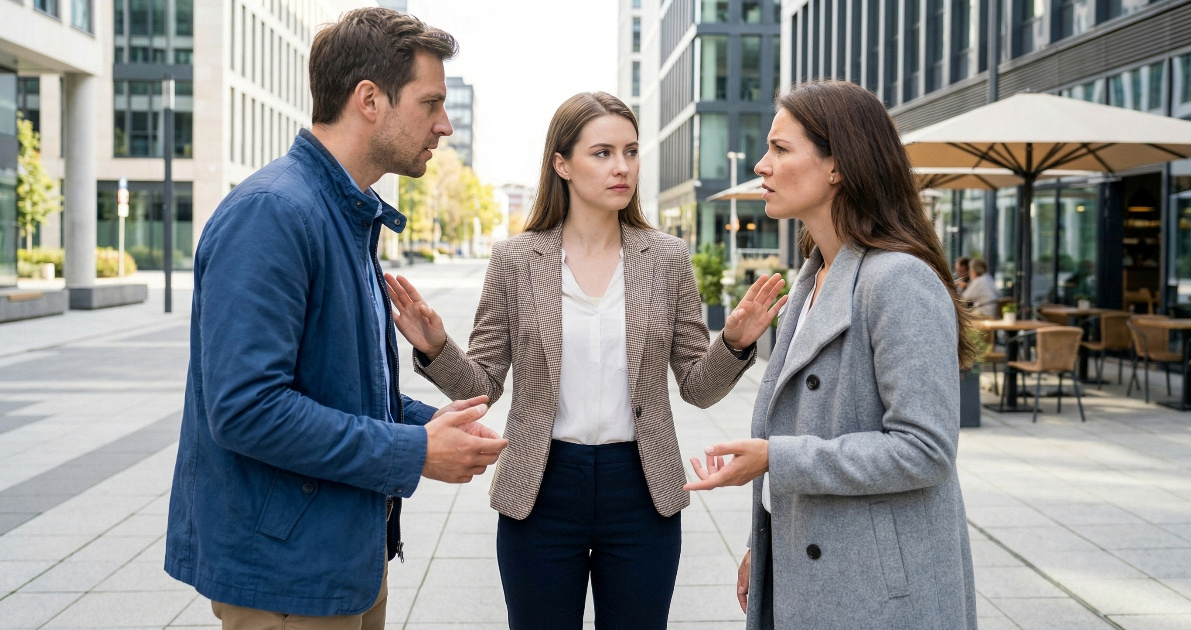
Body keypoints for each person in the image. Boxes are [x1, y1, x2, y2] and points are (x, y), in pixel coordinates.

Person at [383, 92, 786, 629]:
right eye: (602, 153)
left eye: (631, 151)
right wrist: (435, 346)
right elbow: (481, 385)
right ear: (562, 164)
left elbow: (698, 388)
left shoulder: (667, 258)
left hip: (641, 488)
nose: (622, 167)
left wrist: (733, 343)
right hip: (541, 487)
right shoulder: (515, 260)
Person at [164, 9, 508, 628]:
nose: (445, 124)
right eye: (430, 103)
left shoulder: (343, 214)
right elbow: (246, 409)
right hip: (286, 577)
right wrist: (415, 451)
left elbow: (338, 388)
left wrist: (429, 424)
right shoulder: (274, 212)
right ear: (369, 100)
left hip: (342, 561)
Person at [684, 80, 977, 629]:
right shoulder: (812, 276)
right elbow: (804, 424)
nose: (762, 166)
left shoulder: (898, 280)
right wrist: (763, 543)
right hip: (812, 569)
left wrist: (776, 458)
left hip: (880, 592)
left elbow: (926, 449)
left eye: (780, 149)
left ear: (838, 166)